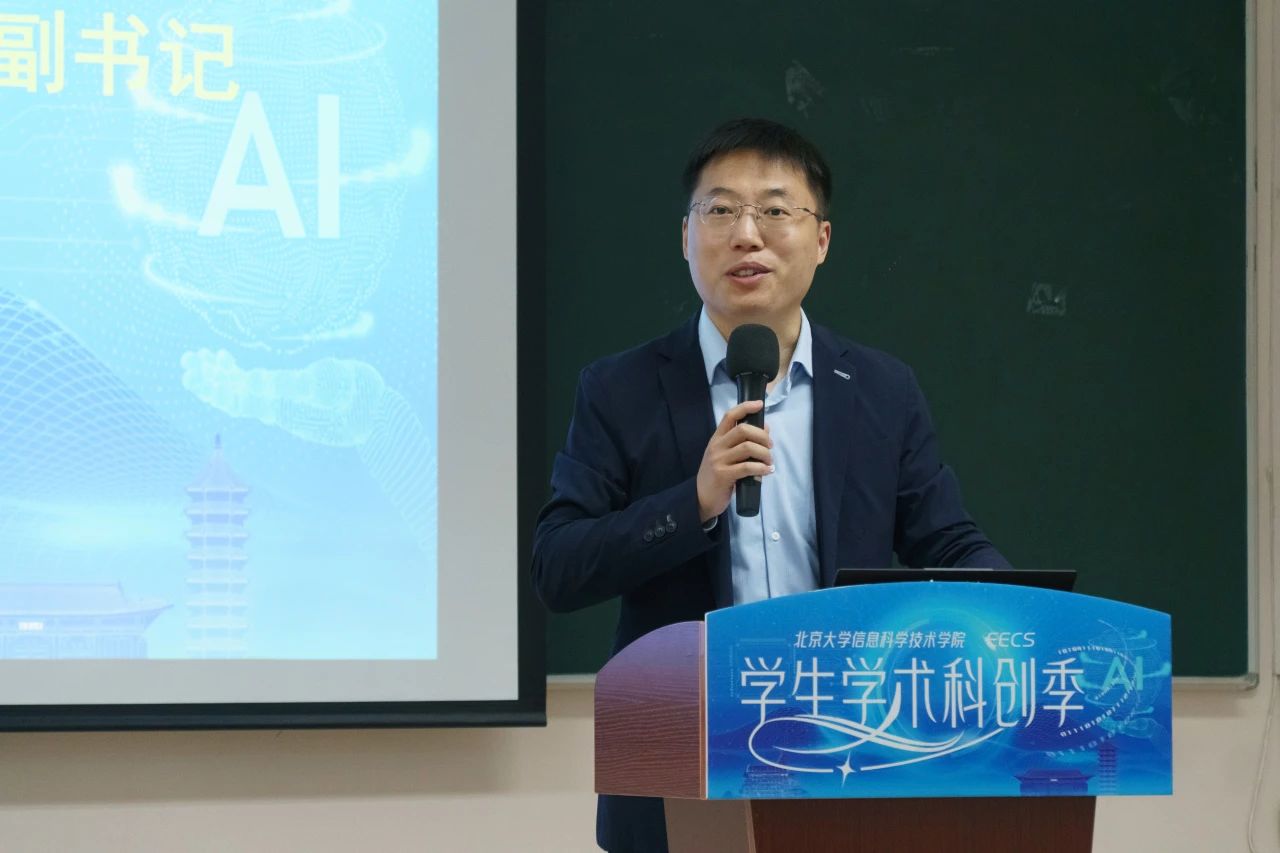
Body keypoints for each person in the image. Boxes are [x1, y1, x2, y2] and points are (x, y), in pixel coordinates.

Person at [531, 118, 1010, 853]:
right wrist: (693, 503)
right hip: (682, 768)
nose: (746, 235)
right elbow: (558, 566)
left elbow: (945, 540)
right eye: (720, 210)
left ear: (821, 239)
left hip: (850, 758)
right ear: (685, 237)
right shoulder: (620, 389)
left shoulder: (881, 390)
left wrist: (1023, 616)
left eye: (775, 210)